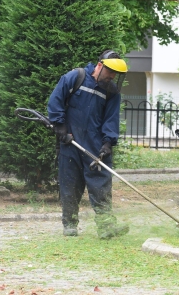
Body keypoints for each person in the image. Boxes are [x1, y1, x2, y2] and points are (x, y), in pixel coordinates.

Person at [47, 50, 129, 239]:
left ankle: (106, 227)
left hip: (95, 146)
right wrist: (60, 126)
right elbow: (56, 100)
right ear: (100, 66)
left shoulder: (111, 92)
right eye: (110, 72)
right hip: (71, 142)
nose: (112, 77)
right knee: (70, 185)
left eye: (115, 75)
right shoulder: (76, 77)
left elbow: (111, 119)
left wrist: (108, 142)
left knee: (101, 186)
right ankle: (69, 225)